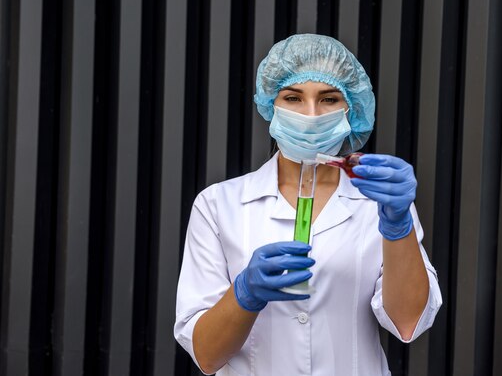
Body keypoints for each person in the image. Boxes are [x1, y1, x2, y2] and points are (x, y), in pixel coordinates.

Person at [174, 34, 442, 376]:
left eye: (329, 99)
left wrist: (398, 225)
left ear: (351, 109)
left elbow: (408, 324)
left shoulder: (382, 202)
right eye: (293, 98)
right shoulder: (219, 206)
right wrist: (244, 295)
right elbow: (208, 356)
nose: (311, 115)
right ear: (271, 105)